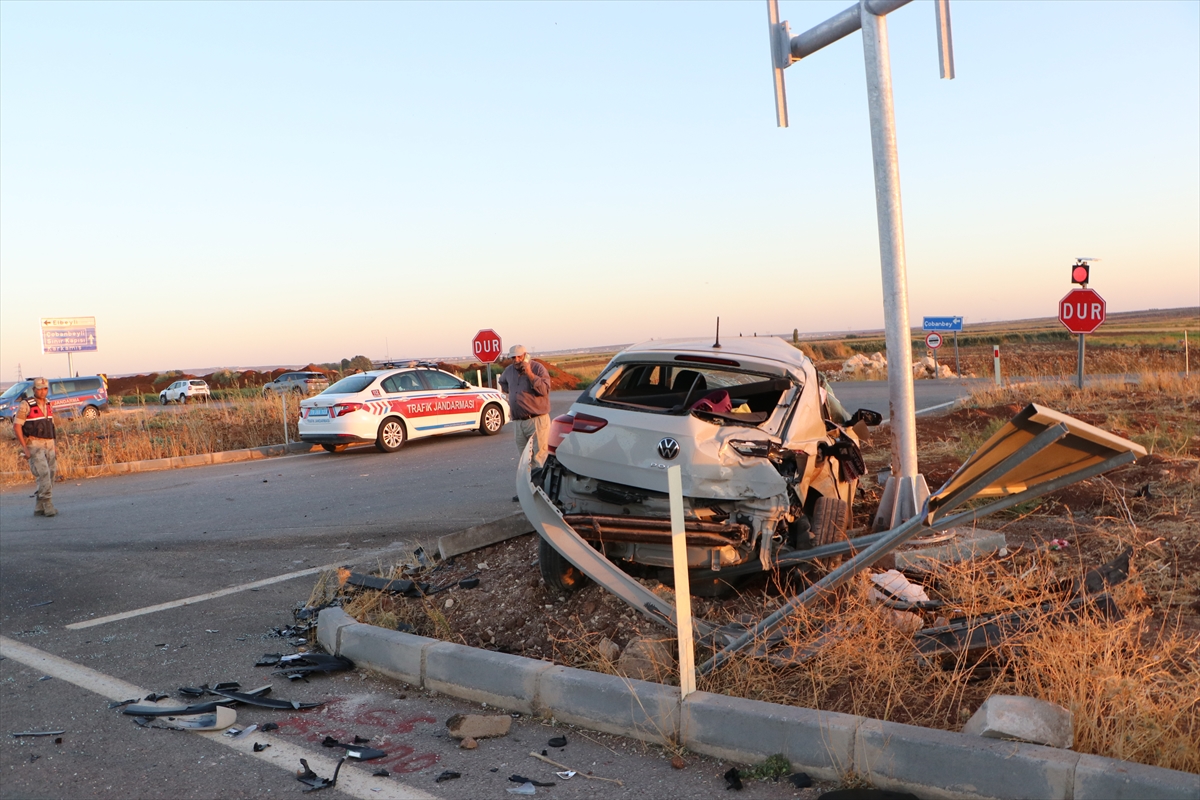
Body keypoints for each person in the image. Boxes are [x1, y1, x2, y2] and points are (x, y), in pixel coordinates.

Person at [499, 345, 551, 500]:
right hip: (519, 422)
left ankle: (541, 493)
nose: (516, 360)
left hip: (536, 420)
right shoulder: (509, 371)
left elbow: (545, 390)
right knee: (524, 460)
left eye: (519, 357)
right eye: (513, 357)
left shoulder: (538, 368)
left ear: (525, 355)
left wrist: (529, 373)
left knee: (538, 457)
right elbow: (503, 383)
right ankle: (527, 491)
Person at [14, 377, 58, 517]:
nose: (43, 391)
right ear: (34, 390)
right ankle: (47, 503)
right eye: (39, 388)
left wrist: (54, 444)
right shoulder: (26, 405)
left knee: (51, 473)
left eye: (45, 388)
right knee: (43, 473)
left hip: (49, 443)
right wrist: (25, 447)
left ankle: (39, 507)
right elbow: (17, 426)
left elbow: (51, 425)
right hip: (34, 443)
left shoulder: (49, 403)